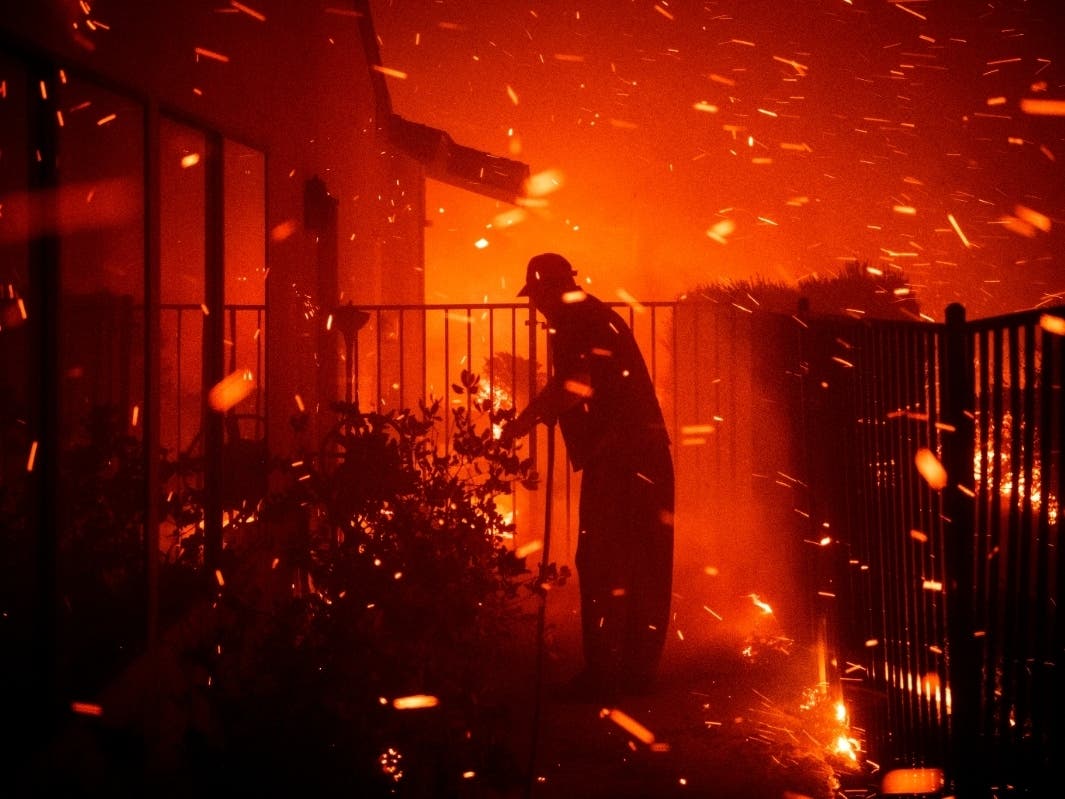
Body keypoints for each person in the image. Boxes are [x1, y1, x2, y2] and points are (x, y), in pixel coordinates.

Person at [502, 252, 674, 699]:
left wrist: (525, 420)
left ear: (548, 289)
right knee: (644, 563)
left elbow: (576, 383)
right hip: (645, 454)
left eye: (536, 295)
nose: (535, 305)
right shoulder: (593, 314)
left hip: (619, 458)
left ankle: (604, 675)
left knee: (601, 561)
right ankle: (637, 672)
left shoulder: (574, 320)